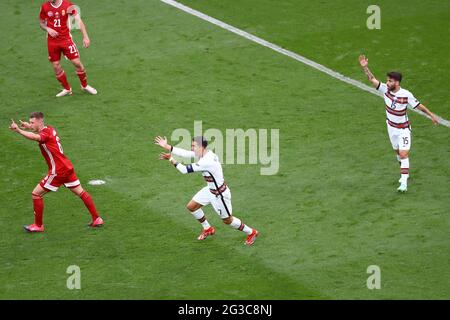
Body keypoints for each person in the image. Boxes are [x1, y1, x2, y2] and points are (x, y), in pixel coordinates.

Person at [155, 136, 259, 245]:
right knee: (191, 207)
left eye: (194, 146)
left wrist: (171, 159)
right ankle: (207, 228)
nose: (192, 148)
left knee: (227, 220)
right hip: (210, 190)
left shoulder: (206, 161)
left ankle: (252, 232)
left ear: (201, 147)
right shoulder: (205, 153)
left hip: (220, 195)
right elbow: (185, 153)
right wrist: (167, 146)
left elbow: (184, 170)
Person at [9, 112, 104, 232]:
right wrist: (28, 126)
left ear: (40, 121)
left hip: (58, 171)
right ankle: (97, 219)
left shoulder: (44, 134)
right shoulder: (49, 128)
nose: (31, 124)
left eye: (33, 122)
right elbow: (39, 132)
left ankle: (38, 226)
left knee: (36, 194)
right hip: (67, 167)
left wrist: (19, 131)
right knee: (81, 192)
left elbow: (36, 137)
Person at [359, 55, 439, 192]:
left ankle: (404, 182)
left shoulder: (406, 94)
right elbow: (371, 79)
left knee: (403, 154)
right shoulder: (385, 89)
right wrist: (365, 67)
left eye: (389, 81)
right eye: (387, 80)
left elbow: (418, 105)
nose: (387, 83)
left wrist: (431, 115)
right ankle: (404, 170)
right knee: (397, 152)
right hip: (391, 128)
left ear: (396, 82)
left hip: (403, 129)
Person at [39, 0, 97, 97]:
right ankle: (67, 89)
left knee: (77, 63)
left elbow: (78, 20)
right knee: (56, 66)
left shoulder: (68, 5)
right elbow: (41, 23)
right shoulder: (44, 6)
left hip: (66, 40)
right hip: (52, 42)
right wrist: (48, 29)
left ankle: (85, 85)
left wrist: (85, 36)